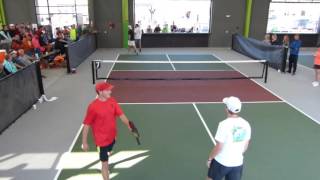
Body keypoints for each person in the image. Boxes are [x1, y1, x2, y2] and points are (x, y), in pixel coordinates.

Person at [82, 82, 132, 180]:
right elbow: (87, 124)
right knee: (105, 164)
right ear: (100, 92)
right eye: (107, 90)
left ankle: (108, 153)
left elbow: (122, 116)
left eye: (110, 89)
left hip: (112, 137)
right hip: (101, 142)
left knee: (110, 150)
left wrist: (129, 126)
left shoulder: (112, 101)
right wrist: (84, 142)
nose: (110, 91)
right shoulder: (93, 107)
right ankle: (105, 170)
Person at [207, 96, 251, 180]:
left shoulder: (223, 124)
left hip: (221, 162)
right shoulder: (246, 124)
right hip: (237, 163)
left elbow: (219, 146)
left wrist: (210, 159)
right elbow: (246, 144)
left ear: (227, 109)